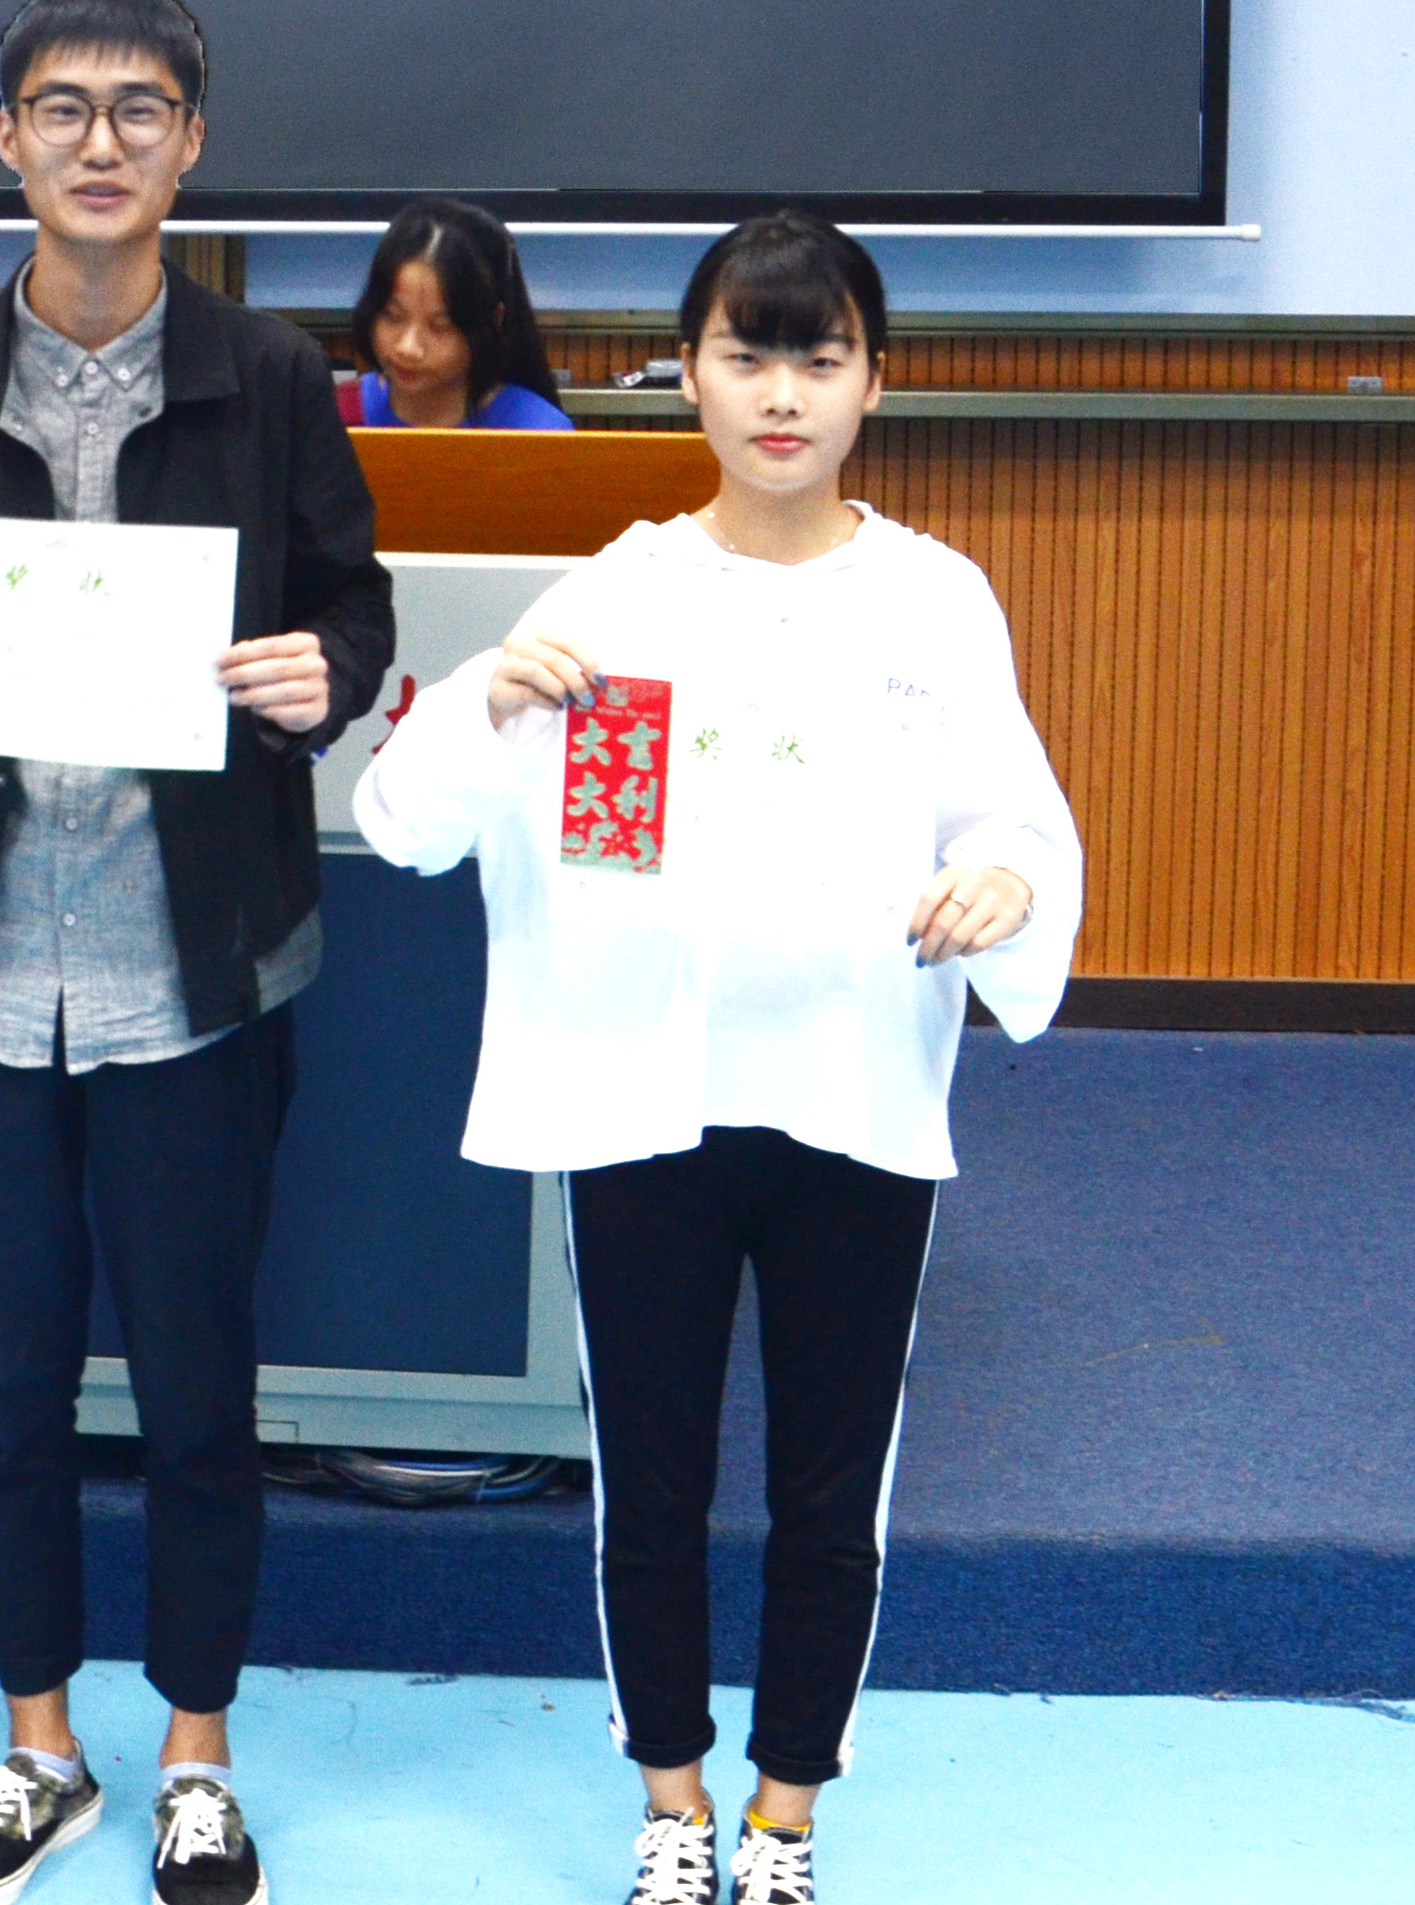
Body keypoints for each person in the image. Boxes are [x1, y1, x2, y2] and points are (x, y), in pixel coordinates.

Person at [353, 212, 1081, 1905]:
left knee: (833, 1488)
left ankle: (784, 1818)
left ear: (874, 382)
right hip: (643, 1097)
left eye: (819, 357)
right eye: (746, 355)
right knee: (653, 1476)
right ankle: (671, 1802)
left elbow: (1016, 824)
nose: (781, 395)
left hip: (852, 1094)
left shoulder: (934, 599)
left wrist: (1004, 883)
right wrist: (488, 702)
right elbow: (403, 821)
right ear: (684, 375)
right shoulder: (619, 590)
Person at [0, 0, 394, 1905]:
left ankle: (197, 1758)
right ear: (8, 140)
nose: (101, 142)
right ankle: (39, 1745)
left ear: (191, 142)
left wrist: (326, 676)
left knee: (204, 1390)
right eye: (63, 108)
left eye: (142, 109)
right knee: (5, 1394)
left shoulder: (274, 378)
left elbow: (355, 609)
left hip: (195, 962)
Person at [334, 197, 570, 431]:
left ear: (492, 321)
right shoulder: (335, 414)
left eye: (440, 327)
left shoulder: (537, 431)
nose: (408, 348)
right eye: (392, 317)